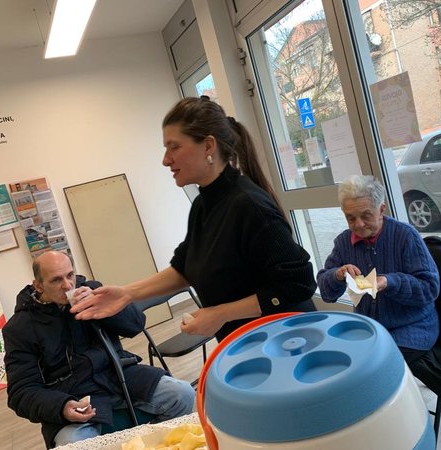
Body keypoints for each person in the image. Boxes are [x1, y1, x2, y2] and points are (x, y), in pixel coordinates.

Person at [71, 96, 316, 341]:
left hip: (286, 342)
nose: (165, 159)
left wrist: (221, 314)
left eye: (174, 147)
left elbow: (299, 284)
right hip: (246, 344)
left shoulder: (248, 205)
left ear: (208, 146)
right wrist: (127, 293)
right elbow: (184, 268)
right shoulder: (203, 204)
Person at [3, 251, 195, 448]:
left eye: (70, 275)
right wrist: (62, 406)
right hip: (73, 396)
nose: (67, 285)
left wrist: (104, 306)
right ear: (38, 285)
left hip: (118, 376)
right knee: (73, 445)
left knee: (183, 394)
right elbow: (21, 392)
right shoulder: (20, 329)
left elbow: (135, 325)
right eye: (56, 280)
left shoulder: (92, 291)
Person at [316, 175, 440, 364]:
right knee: (334, 358)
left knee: (372, 363)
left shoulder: (406, 236)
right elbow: (326, 294)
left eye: (365, 216)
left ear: (381, 209)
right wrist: (337, 275)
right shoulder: (343, 242)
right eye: (350, 218)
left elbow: (429, 288)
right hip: (368, 327)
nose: (358, 224)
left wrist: (390, 282)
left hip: (411, 327)